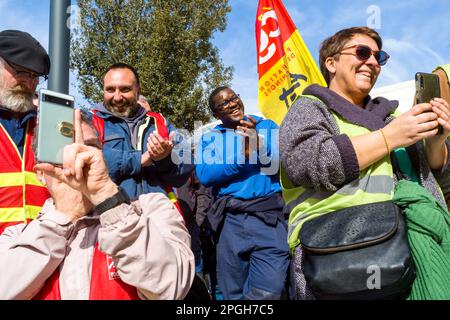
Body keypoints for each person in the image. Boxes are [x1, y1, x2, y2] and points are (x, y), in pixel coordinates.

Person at [279, 27, 450, 299]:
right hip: (341, 258)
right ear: (331, 63)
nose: (372, 62)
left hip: (416, 252)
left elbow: (437, 178)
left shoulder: (394, 116)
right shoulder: (309, 107)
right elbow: (307, 163)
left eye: (379, 56)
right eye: (362, 52)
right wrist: (388, 138)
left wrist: (436, 143)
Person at [0, 109, 195, 300]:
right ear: (40, 174)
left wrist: (107, 198)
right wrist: (64, 215)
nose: (80, 160)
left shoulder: (151, 210)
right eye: (63, 153)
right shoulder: (15, 238)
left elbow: (172, 289)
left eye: (91, 147)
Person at [195, 86, 290, 300]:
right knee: (232, 292)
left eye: (234, 97)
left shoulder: (265, 126)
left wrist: (257, 143)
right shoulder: (210, 138)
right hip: (230, 223)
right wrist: (243, 156)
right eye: (224, 103)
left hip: (269, 218)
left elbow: (279, 163)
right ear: (216, 114)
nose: (232, 103)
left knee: (270, 289)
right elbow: (206, 175)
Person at [90, 63, 194, 200]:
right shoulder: (90, 121)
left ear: (138, 90)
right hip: (111, 215)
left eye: (125, 89)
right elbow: (88, 166)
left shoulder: (161, 122)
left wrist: (164, 160)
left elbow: (185, 167)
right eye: (110, 90)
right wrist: (139, 159)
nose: (117, 97)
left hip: (159, 213)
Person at [0, 30, 50, 234]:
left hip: (42, 253)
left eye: (36, 76)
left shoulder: (48, 124)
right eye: (21, 72)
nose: (29, 83)